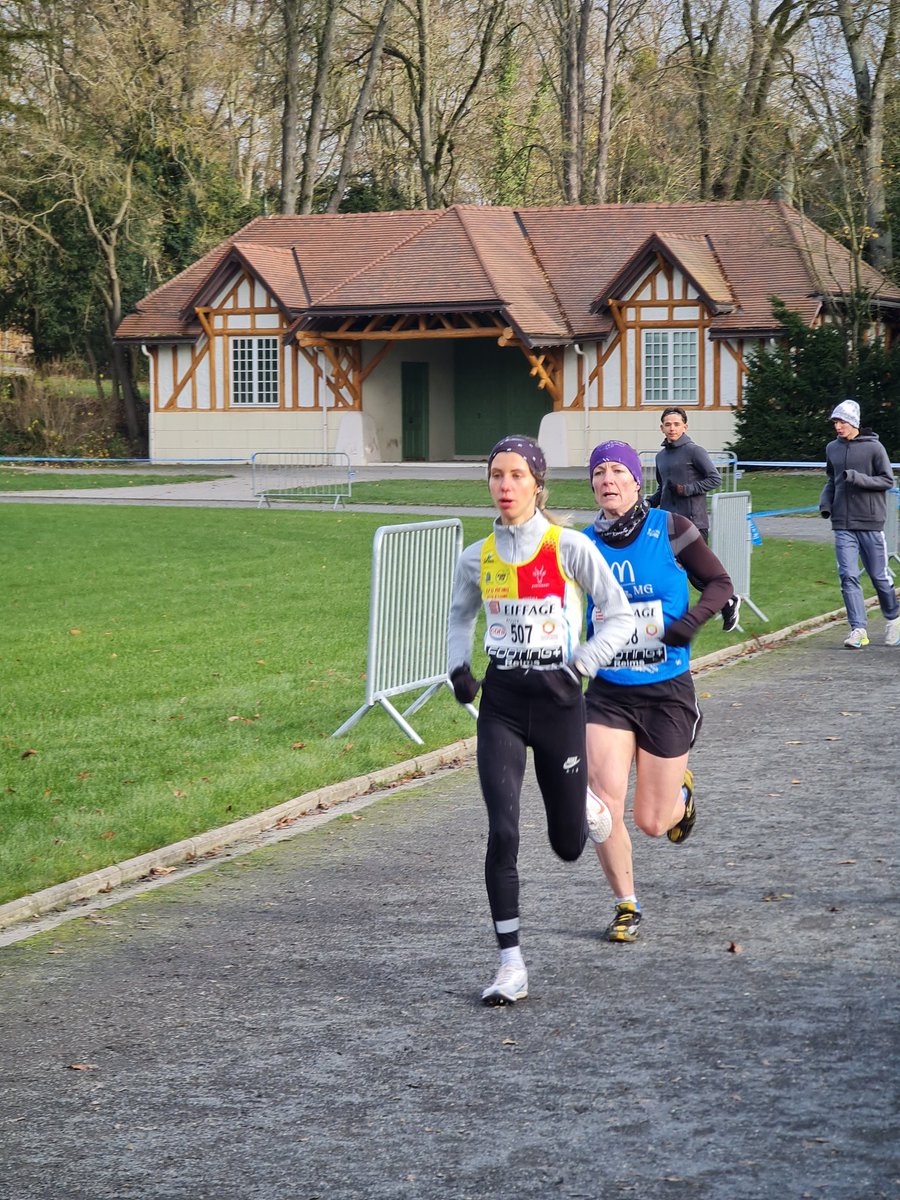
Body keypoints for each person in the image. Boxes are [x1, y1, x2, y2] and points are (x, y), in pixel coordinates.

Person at [447, 434, 635, 1005]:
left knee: (568, 845)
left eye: (516, 476)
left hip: (559, 701)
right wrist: (459, 666)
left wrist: (583, 662)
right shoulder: (474, 557)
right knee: (502, 832)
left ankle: (585, 803)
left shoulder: (568, 546)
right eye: (496, 475)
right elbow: (459, 618)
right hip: (503, 701)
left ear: (537, 484)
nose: (505, 486)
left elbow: (620, 617)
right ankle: (511, 965)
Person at [582, 440, 734, 943]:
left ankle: (681, 797)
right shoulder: (582, 545)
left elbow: (718, 581)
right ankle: (626, 904)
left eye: (616, 471)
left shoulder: (670, 528)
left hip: (666, 690)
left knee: (651, 822)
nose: (607, 479)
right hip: (608, 690)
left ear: (635, 480)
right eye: (599, 472)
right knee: (600, 807)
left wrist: (691, 622)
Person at [647, 406, 741, 633]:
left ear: (685, 427)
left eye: (676, 424)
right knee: (666, 570)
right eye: (668, 424)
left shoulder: (694, 451)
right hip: (668, 523)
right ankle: (669, 617)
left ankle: (728, 600)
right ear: (661, 428)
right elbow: (663, 488)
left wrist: (687, 489)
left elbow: (714, 479)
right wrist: (649, 502)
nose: (672, 428)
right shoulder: (660, 457)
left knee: (698, 575)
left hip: (693, 523)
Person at [819, 399, 900, 649]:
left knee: (879, 576)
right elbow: (832, 480)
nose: (838, 426)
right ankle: (858, 629)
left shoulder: (875, 448)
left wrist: (857, 478)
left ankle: (894, 619)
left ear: (854, 422)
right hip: (842, 523)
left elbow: (888, 481)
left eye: (841, 421)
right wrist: (825, 503)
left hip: (871, 522)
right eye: (835, 422)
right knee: (848, 575)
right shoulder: (832, 448)